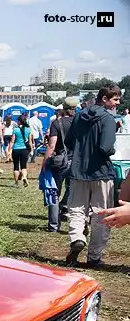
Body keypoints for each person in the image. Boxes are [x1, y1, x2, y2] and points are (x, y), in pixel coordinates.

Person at [63, 83, 121, 267]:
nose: (118, 103)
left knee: (76, 209)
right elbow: (106, 147)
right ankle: (94, 256)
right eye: (115, 99)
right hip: (101, 172)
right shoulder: (108, 119)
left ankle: (77, 238)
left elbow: (69, 141)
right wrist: (113, 148)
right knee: (101, 214)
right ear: (104, 98)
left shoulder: (79, 116)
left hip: (78, 171)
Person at [42, 97, 78, 231]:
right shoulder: (80, 123)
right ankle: (75, 223)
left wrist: (45, 163)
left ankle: (53, 225)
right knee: (75, 192)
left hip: (60, 162)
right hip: (77, 162)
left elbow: (51, 145)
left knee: (54, 192)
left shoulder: (57, 123)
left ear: (63, 108)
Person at [11, 114, 33, 187]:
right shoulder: (28, 129)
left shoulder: (15, 129)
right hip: (24, 149)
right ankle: (24, 176)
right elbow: (30, 141)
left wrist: (9, 150)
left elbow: (12, 141)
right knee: (24, 166)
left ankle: (16, 182)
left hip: (16, 149)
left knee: (16, 166)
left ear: (20, 121)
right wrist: (31, 150)